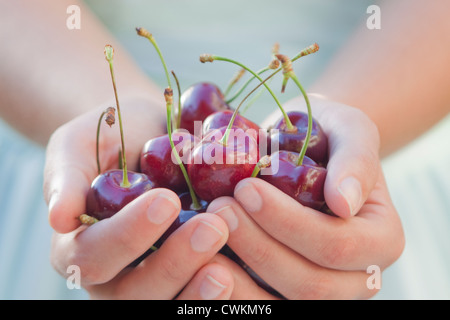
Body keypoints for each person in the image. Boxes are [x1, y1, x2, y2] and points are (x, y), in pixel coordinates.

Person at [0, 0, 448, 299]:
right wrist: (97, 105)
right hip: (60, 90)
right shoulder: (143, 151)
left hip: (389, 123)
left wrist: (354, 122)